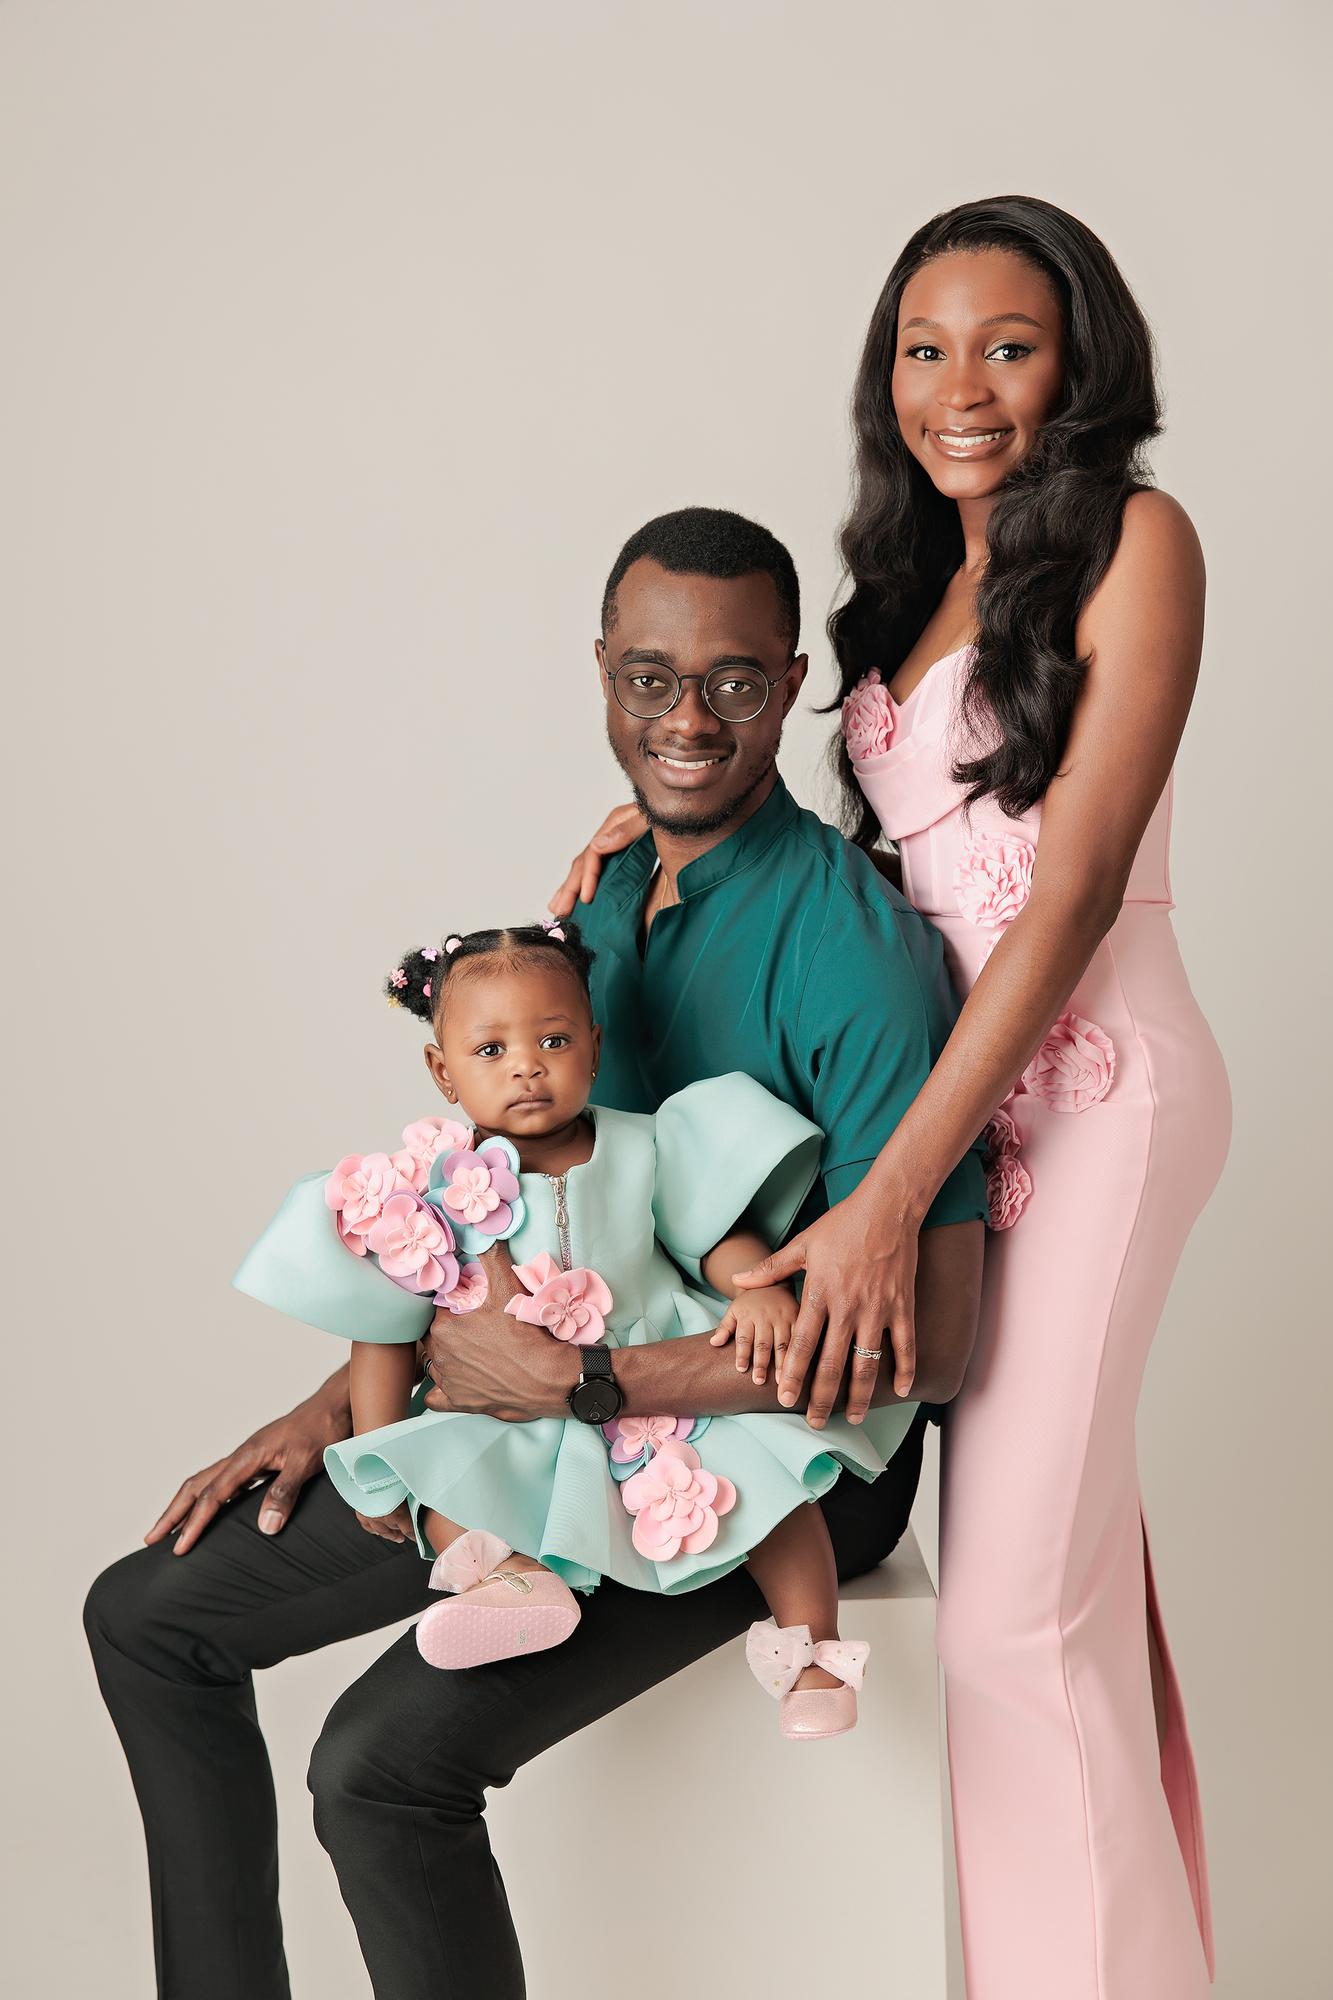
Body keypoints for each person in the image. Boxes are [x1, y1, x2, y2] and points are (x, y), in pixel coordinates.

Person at [84, 506, 985, 2000]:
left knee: (377, 1770)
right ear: (602, 671)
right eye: (648, 678)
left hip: (769, 1456)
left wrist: (589, 1384)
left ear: (790, 681)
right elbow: (536, 1201)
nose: (685, 721)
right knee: (146, 1616)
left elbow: (930, 1347)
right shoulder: (602, 900)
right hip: (539, 1409)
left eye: (733, 682)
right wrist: (334, 1409)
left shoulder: (855, 952)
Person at [556, 199, 1229, 2000]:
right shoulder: (903, 584)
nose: (961, 388)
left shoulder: (1135, 539)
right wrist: (663, 835)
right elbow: (891, 878)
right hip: (950, 1115)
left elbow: (1068, 894)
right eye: (924, 351)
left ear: (1079, 362)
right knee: (1054, 1605)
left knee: (1015, 1621)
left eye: (1008, 347)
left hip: (1088, 1099)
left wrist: (881, 1199)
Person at [239, 916, 902, 1736]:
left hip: (655, 1376)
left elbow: (712, 1233)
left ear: (593, 1047)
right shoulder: (422, 1193)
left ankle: (813, 1657)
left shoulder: (647, 1145)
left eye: (552, 1041)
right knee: (442, 1483)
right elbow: (385, 1330)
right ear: (442, 1073)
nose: (526, 1066)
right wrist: (377, 1453)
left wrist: (755, 1287)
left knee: (768, 1493)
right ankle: (513, 1582)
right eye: (490, 1050)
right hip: (507, 1406)